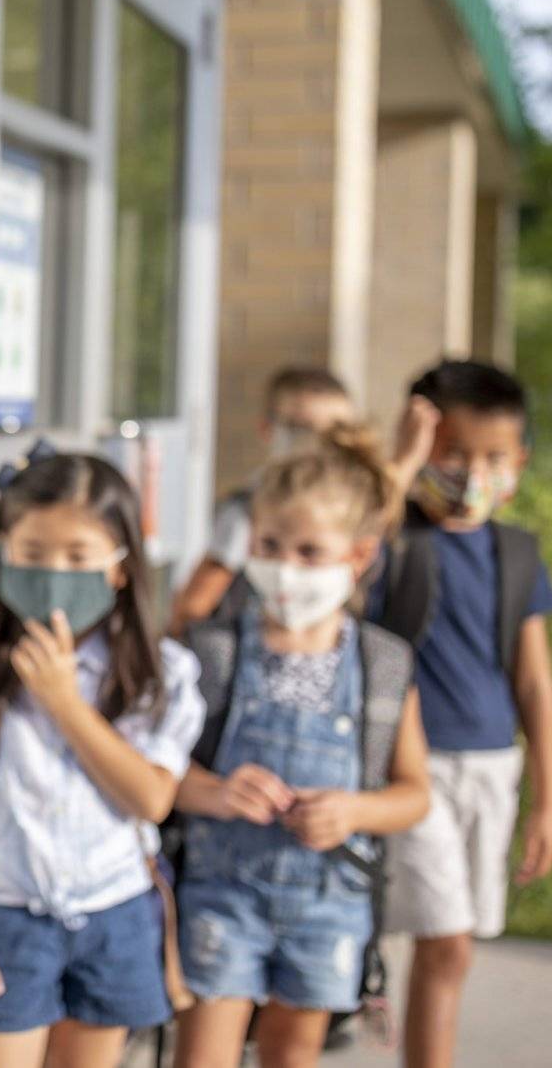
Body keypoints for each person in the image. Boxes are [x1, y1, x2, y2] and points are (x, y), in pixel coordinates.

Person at [0, 452, 206, 1067]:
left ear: (120, 568)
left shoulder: (161, 674)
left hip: (116, 913)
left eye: (78, 557)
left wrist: (63, 702)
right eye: (31, 554)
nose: (54, 574)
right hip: (1, 916)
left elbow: (151, 798)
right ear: (1, 552)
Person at [172, 426, 432, 1068]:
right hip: (221, 897)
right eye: (269, 546)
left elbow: (414, 794)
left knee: (294, 1055)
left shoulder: (382, 666)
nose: (285, 568)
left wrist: (353, 812)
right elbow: (158, 773)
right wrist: (216, 792)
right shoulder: (215, 654)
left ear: (360, 556)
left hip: (328, 902)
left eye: (310, 552)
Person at [379, 361, 552, 1068]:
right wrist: (398, 461)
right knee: (448, 938)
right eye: (452, 451)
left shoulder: (516, 552)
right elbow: (354, 540)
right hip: (411, 771)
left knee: (450, 949)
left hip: (492, 767)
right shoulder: (392, 541)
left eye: (492, 457)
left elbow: (536, 683)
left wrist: (548, 801)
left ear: (519, 463)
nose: (470, 471)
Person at [173, 368, 438, 633]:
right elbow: (196, 603)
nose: (320, 444)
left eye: (337, 432)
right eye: (303, 429)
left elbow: (375, 508)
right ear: (268, 429)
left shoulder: (345, 499)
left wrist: (408, 459)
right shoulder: (248, 508)